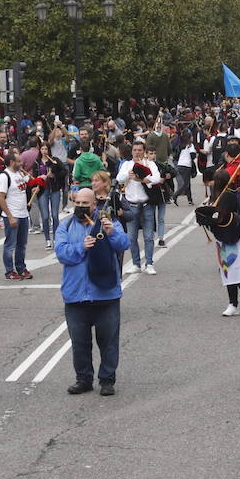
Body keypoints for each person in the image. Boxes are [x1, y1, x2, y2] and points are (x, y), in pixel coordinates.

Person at [55, 187, 129, 396]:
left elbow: (124, 244)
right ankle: (83, 379)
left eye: (85, 204)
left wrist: (111, 233)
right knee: (79, 342)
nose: (80, 207)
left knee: (108, 341)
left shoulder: (108, 221)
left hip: (105, 294)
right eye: (77, 203)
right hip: (76, 295)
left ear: (94, 204)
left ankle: (107, 380)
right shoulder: (66, 225)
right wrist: (81, 247)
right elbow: (62, 253)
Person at [199, 170, 240, 318]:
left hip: (233, 238)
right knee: (227, 272)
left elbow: (221, 216)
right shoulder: (215, 196)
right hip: (221, 239)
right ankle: (233, 304)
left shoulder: (230, 196)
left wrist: (211, 216)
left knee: (238, 272)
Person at [117, 141, 162, 275]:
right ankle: (136, 264)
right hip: (131, 205)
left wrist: (142, 178)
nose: (137, 152)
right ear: (132, 152)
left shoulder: (150, 164)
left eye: (140, 150)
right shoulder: (127, 164)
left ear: (144, 151)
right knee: (131, 237)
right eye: (135, 150)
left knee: (148, 236)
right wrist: (128, 175)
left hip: (147, 204)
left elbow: (157, 178)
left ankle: (149, 263)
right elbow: (119, 178)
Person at [0, 151, 33, 280]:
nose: (21, 163)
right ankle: (9, 271)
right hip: (12, 215)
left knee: (21, 244)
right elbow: (0, 198)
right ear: (12, 162)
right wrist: (10, 216)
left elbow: (22, 188)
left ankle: (21, 267)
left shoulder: (18, 173)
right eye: (18, 161)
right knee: (10, 244)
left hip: (23, 214)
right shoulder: (4, 176)